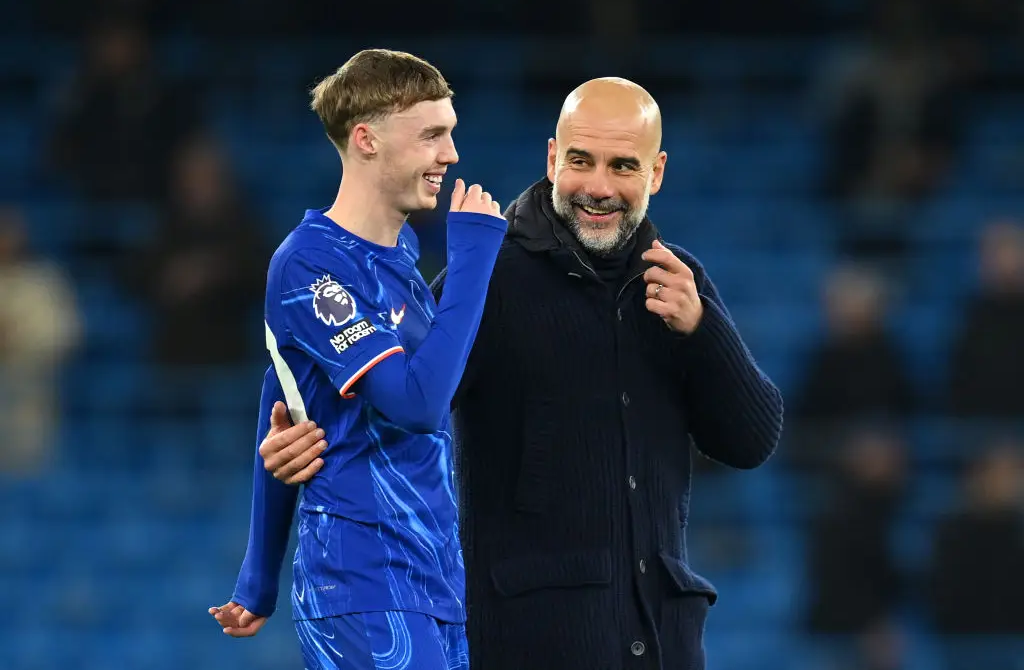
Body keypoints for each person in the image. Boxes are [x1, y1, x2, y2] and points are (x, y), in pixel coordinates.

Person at [259, 77, 783, 670]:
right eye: (582, 161)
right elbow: (403, 400)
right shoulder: (492, 279)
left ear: (656, 173)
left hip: (665, 644)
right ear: (553, 157)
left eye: (623, 166)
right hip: (527, 643)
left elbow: (751, 441)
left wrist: (701, 331)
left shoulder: (677, 281)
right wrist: (300, 441)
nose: (600, 188)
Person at [207, 49, 507, 670]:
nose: (450, 155)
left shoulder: (398, 253)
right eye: (432, 135)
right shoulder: (310, 264)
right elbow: (419, 405)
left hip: (432, 584)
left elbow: (282, 406)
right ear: (366, 139)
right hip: (364, 584)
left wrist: (258, 582)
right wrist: (474, 258)